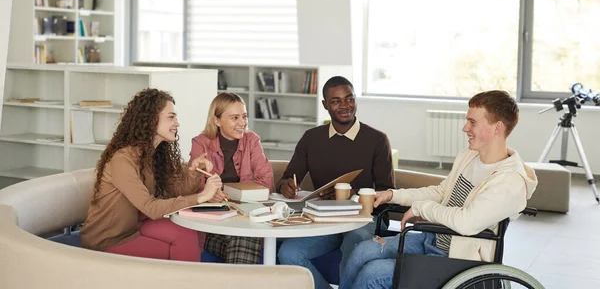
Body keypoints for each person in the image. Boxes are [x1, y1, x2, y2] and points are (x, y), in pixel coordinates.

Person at [339, 90, 538, 289]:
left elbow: (466, 222)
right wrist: (393, 195)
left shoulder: (510, 182)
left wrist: (421, 209)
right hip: (432, 238)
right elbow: (442, 193)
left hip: (456, 259)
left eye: (473, 122)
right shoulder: (469, 155)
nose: (464, 128)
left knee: (372, 274)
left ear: (497, 128)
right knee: (362, 252)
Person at [277, 76, 395, 289]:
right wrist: (286, 185)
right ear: (325, 105)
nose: (345, 106)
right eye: (336, 101)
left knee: (356, 239)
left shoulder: (377, 139)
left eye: (349, 99)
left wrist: (352, 193)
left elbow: (387, 191)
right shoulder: (311, 138)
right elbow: (289, 177)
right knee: (288, 253)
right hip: (325, 219)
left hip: (365, 218)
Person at [81, 88, 222, 262]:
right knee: (177, 248)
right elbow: (152, 208)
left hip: (136, 225)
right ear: (150, 120)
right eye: (171, 117)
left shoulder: (153, 154)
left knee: (186, 232)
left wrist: (193, 172)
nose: (177, 123)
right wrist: (201, 196)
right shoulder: (122, 160)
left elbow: (175, 191)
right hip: (107, 240)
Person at [190, 92, 274, 264]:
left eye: (244, 116)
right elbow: (192, 187)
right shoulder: (200, 143)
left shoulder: (252, 141)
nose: (242, 123)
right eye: (235, 118)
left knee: (244, 237)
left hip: (244, 221)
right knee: (246, 238)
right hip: (213, 227)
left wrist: (225, 192)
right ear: (217, 120)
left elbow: (266, 183)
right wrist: (207, 194)